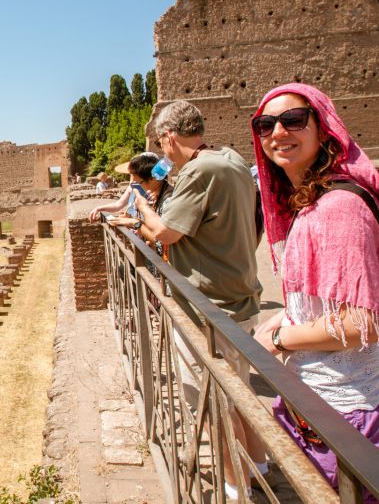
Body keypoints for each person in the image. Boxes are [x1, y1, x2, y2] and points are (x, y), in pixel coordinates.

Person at [248, 83, 379, 496]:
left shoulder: (338, 208)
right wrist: (286, 317)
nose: (278, 133)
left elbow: (366, 324)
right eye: (266, 125)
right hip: (326, 411)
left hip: (355, 422)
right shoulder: (311, 203)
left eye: (293, 120)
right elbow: (321, 304)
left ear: (324, 130)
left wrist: (281, 338)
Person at [132, 100, 265, 499]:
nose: (161, 152)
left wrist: (141, 207)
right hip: (237, 297)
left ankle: (233, 490)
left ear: (170, 137)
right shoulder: (230, 158)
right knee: (239, 397)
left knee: (211, 406)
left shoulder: (200, 169)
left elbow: (165, 233)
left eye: (161, 144)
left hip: (209, 308)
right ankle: (259, 468)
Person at [105, 153, 173, 257]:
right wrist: (132, 220)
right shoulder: (160, 195)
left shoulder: (168, 200)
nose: (136, 188)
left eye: (138, 183)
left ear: (152, 179)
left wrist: (135, 223)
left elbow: (162, 241)